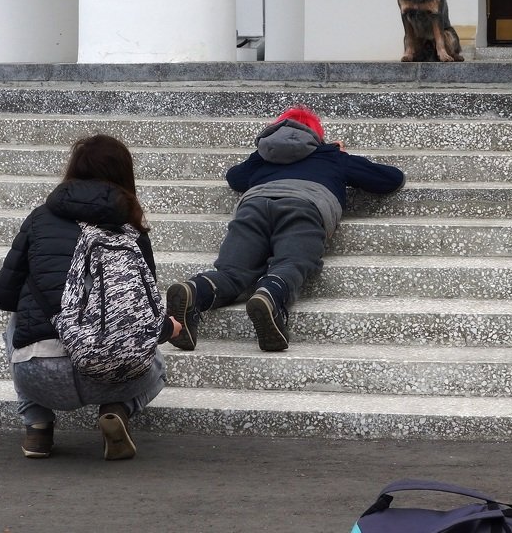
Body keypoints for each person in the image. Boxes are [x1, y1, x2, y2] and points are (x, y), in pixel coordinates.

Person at [0, 134, 178, 460]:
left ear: (73, 171)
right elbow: (142, 313)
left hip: (40, 374)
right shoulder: (131, 229)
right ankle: (118, 409)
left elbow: (3, 295)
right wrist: (170, 328)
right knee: (156, 360)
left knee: (17, 319)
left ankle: (37, 427)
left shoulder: (39, 219)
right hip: (113, 375)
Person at [164, 105, 405, 353]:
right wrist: (339, 154)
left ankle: (195, 291)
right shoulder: (330, 155)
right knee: (291, 263)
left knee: (231, 273)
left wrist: (260, 156)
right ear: (316, 135)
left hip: (253, 206)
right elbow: (391, 179)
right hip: (303, 206)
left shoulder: (263, 157)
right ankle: (270, 295)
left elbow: (235, 177)